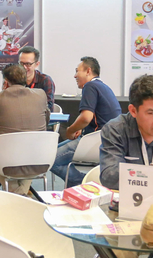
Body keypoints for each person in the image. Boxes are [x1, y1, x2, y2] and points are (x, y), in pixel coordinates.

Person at [51, 56, 121, 187]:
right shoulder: (103, 87)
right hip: (105, 140)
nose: (75, 76)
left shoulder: (90, 86)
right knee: (53, 153)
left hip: (96, 142)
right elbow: (96, 117)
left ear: (88, 71)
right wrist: (80, 128)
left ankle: (85, 184)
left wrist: (70, 130)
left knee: (50, 160)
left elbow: (86, 117)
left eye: (77, 71)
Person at [0, 63, 51, 195]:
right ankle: (22, 194)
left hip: (8, 161)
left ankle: (18, 194)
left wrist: (3, 91)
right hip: (39, 159)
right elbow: (46, 120)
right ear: (25, 78)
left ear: (6, 81)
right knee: (29, 146)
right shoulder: (41, 94)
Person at [18, 46, 56, 112]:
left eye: (28, 64)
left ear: (37, 64)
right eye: (21, 63)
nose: (24, 67)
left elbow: (48, 108)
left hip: (38, 116)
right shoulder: (13, 79)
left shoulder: (45, 80)